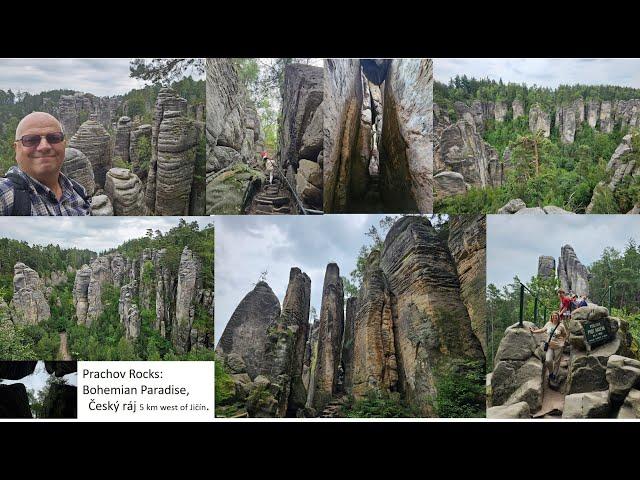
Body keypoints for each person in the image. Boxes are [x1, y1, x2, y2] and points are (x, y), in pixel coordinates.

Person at [0, 112, 90, 216]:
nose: (44, 147)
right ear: (16, 148)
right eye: (31, 140)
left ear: (64, 145)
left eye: (54, 138)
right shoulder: (5, 196)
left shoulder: (80, 192)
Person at [530, 311, 567, 382]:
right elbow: (542, 330)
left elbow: (565, 335)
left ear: (558, 317)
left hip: (558, 346)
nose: (554, 317)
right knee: (548, 360)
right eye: (553, 316)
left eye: (556, 316)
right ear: (551, 317)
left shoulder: (561, 326)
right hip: (549, 345)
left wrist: (563, 342)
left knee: (556, 362)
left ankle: (554, 375)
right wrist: (534, 331)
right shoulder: (548, 324)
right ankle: (551, 372)